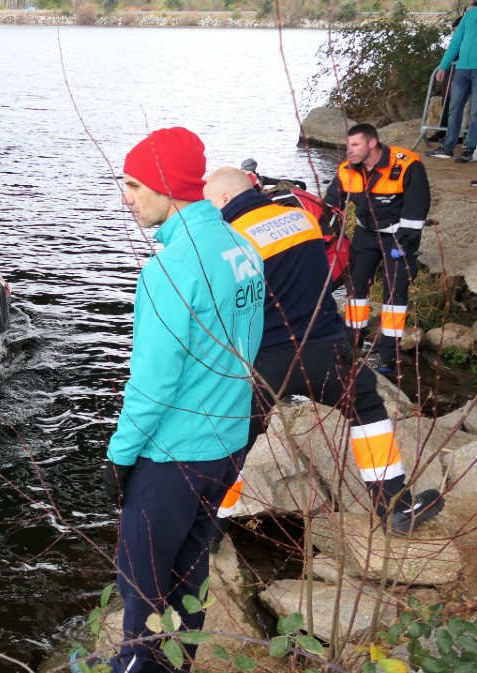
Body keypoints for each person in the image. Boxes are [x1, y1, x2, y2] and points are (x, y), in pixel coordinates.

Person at [95, 128, 264, 673]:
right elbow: (250, 346)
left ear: (167, 187)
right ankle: (177, 666)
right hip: (228, 445)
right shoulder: (244, 247)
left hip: (173, 456)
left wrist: (120, 457)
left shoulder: (168, 269)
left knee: (141, 590)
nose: (127, 197)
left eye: (134, 184)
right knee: (191, 573)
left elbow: (152, 384)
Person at [204, 167, 444, 538]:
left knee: (236, 439)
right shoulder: (300, 218)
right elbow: (327, 268)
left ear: (224, 200)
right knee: (366, 409)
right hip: (326, 350)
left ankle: (210, 529)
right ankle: (393, 506)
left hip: (263, 360)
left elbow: (225, 306)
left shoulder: (225, 238)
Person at [322, 124, 430, 373]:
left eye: (355, 145)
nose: (350, 151)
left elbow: (417, 208)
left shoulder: (406, 165)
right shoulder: (346, 170)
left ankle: (387, 355)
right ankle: (352, 343)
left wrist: (405, 243)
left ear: (372, 143)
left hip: (398, 237)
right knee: (355, 289)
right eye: (348, 145)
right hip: (365, 234)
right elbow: (329, 206)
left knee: (395, 295)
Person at [428, 0, 477, 160]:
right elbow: (455, 42)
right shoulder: (469, 16)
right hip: (462, 68)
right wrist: (443, 66)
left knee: (475, 113)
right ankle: (447, 148)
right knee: (454, 109)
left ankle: (469, 149)